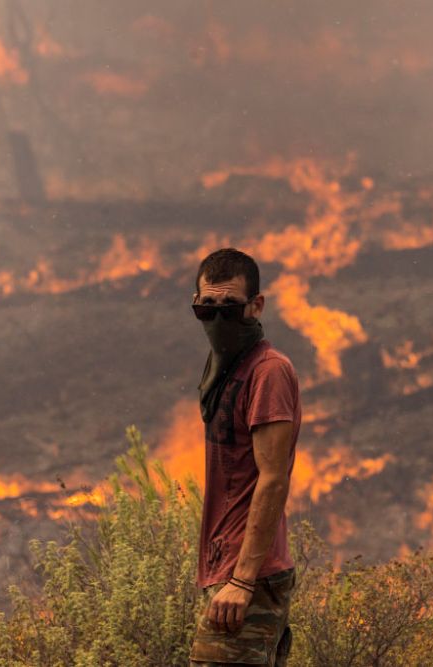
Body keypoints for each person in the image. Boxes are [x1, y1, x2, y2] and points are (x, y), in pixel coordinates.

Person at [189, 248, 301, 667]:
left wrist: (242, 578)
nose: (218, 320)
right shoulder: (223, 369)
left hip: (248, 576)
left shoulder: (266, 371)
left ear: (256, 306)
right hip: (227, 569)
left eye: (230, 308)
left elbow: (273, 478)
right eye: (206, 308)